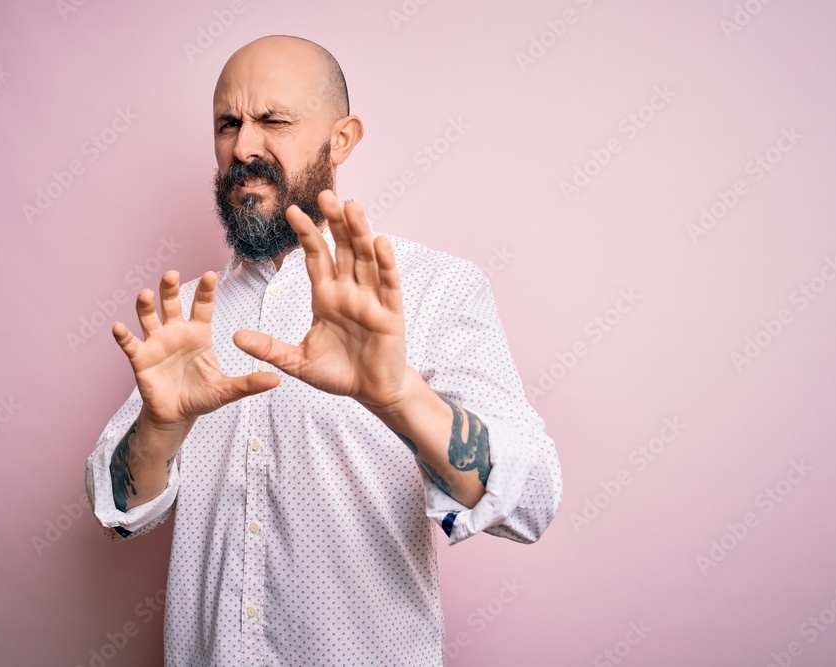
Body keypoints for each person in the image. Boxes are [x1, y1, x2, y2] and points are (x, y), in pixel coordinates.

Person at [85, 34, 562, 666]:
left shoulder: (434, 287)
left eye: (273, 121)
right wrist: (160, 426)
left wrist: (398, 394)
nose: (244, 147)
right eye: (228, 124)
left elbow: (531, 502)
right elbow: (120, 512)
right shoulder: (193, 321)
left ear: (341, 140)